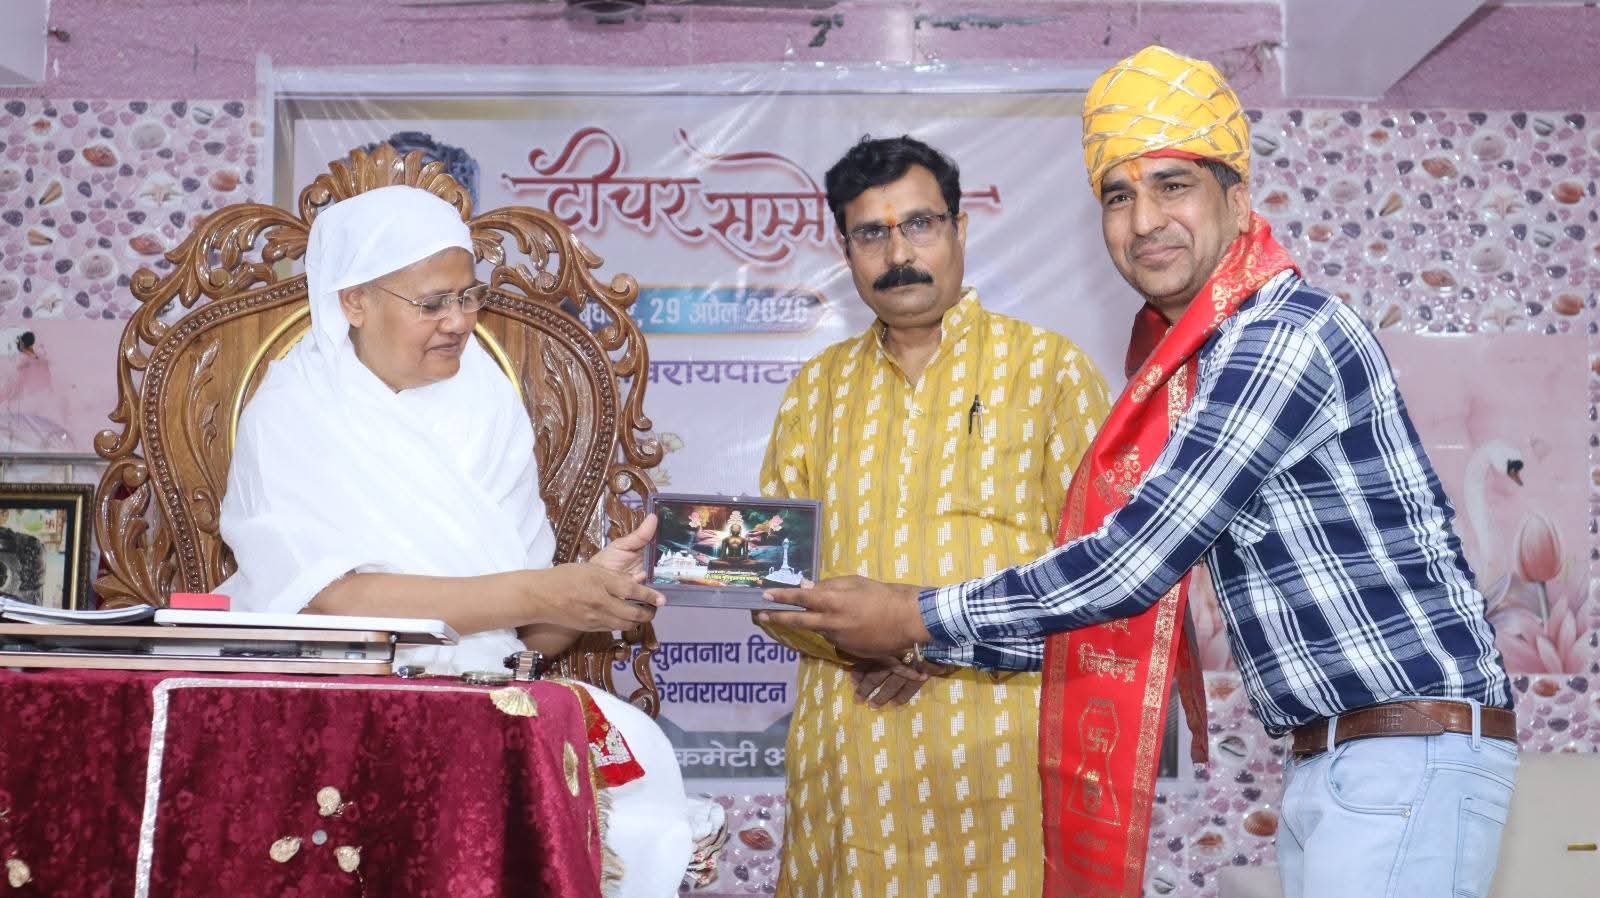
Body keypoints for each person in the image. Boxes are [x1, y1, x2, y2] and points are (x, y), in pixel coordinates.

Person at [763, 48, 1516, 898]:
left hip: (1403, 750)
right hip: (1346, 756)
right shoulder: (1206, 362)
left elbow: (1131, 563)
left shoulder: (1282, 336)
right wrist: (923, 640)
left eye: (1172, 185)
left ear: (1237, 198)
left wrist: (914, 617)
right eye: (1118, 197)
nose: (1144, 219)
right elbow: (1124, 620)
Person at [218, 184, 701, 897]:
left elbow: (523, 642)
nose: (459, 322)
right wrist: (541, 591)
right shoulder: (293, 412)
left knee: (641, 786)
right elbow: (331, 602)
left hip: (487, 699)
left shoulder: (486, 400)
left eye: (469, 296)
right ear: (354, 302)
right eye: (432, 303)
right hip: (338, 709)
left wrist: (588, 590)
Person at [757, 135, 1110, 898]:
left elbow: (1099, 575)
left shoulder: (1050, 370)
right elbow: (769, 582)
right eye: (871, 233)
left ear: (959, 228)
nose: (898, 254)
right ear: (844, 250)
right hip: (852, 755)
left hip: (1004, 756)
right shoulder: (815, 391)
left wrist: (924, 634)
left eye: (919, 224)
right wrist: (857, 642)